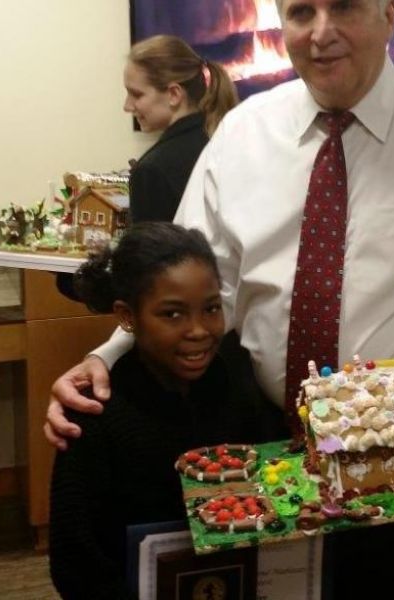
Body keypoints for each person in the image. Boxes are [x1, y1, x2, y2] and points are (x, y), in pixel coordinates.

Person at [46, 1, 394, 597]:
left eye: (344, 5)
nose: (321, 33)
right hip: (268, 457)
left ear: (390, 13)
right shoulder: (243, 135)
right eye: (301, 11)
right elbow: (190, 282)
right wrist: (108, 356)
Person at [49, 222, 257, 599]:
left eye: (211, 308)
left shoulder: (240, 388)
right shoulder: (95, 416)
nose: (198, 330)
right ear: (128, 317)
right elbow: (76, 563)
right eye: (173, 314)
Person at [124, 35, 238, 223]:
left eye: (136, 94)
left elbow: (150, 252)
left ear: (174, 94)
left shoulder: (152, 172)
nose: (127, 106)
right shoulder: (224, 140)